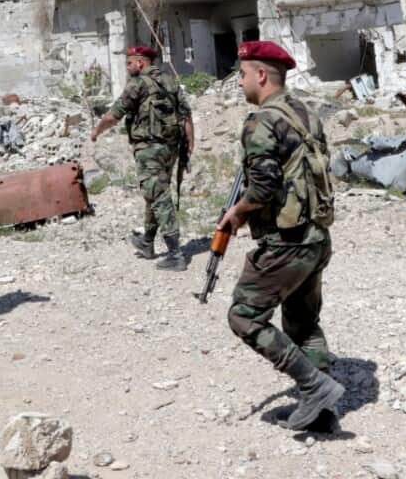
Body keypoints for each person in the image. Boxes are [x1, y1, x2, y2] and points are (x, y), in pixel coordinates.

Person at [217, 40, 344, 431]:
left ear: (260, 75)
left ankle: (313, 386)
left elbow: (264, 184)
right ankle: (322, 411)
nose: (239, 83)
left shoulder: (261, 121)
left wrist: (236, 213)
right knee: (303, 324)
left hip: (287, 244)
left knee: (244, 315)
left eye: (241, 75)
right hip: (316, 238)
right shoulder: (307, 113)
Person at [90, 45, 194, 271]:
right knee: (154, 192)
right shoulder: (171, 82)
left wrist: (96, 131)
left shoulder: (137, 84)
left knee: (158, 195)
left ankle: (176, 254)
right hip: (171, 148)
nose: (127, 68)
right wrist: (189, 146)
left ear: (141, 62)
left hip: (149, 149)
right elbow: (186, 115)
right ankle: (147, 242)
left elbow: (114, 115)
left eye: (129, 63)